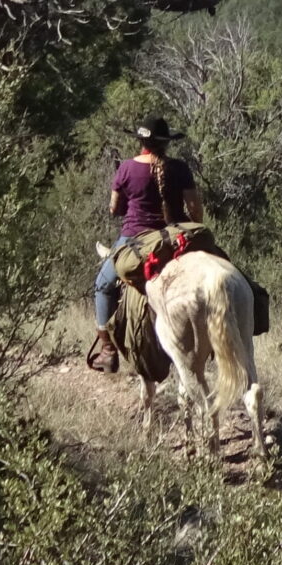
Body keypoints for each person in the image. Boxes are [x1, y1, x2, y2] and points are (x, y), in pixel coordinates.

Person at [87, 119, 207, 374]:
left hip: (133, 240)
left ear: (141, 142)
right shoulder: (180, 168)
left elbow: (114, 208)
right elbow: (196, 210)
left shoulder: (127, 168)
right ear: (166, 143)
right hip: (175, 239)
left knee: (103, 285)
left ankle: (108, 351)